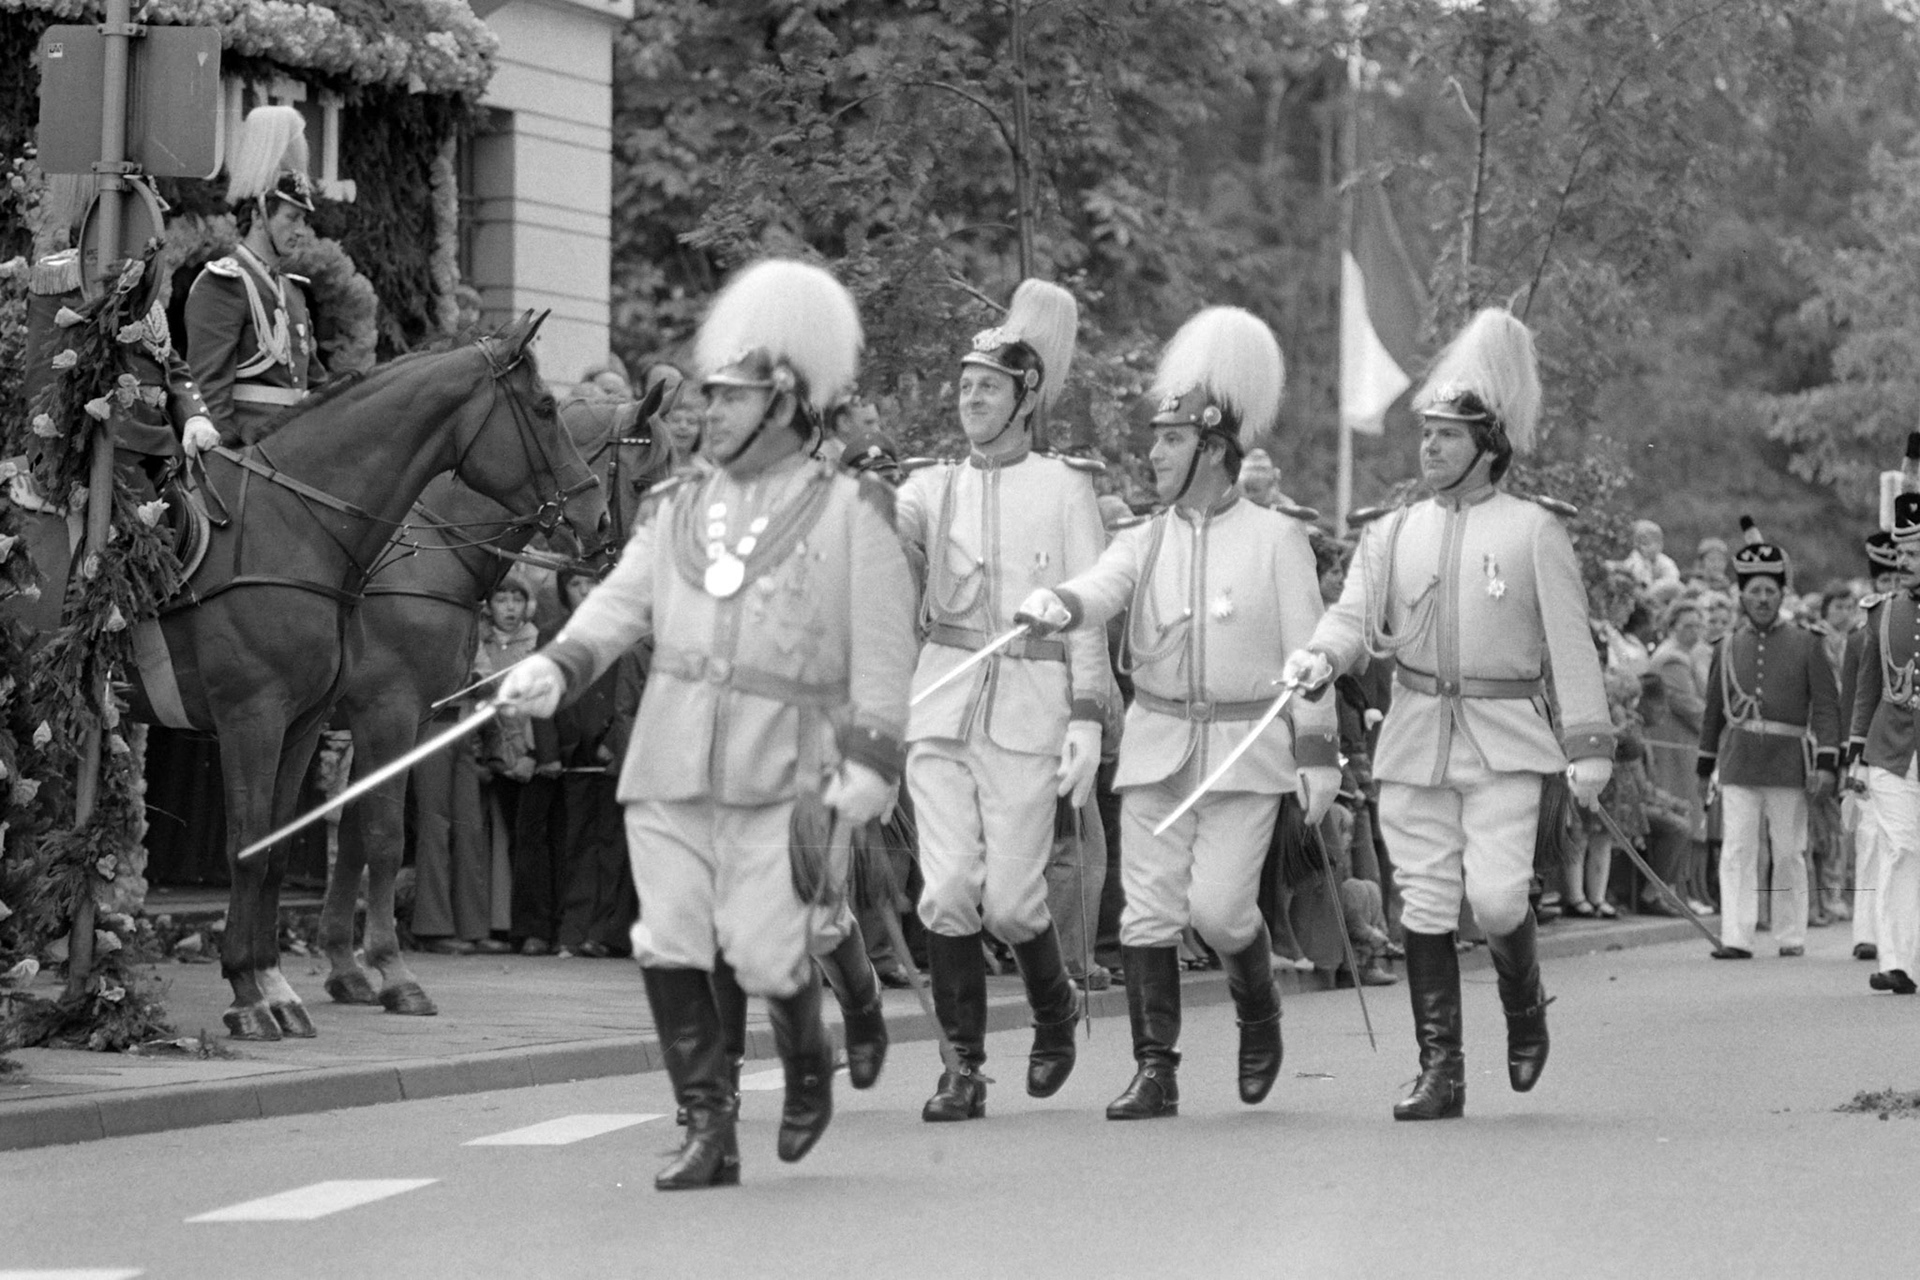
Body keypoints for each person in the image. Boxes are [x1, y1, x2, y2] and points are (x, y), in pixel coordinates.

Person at [498, 260, 916, 1190]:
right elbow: (617, 607)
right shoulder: (677, 505)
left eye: (731, 398)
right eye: (711, 395)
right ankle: (707, 1125)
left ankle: (807, 1056)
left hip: (784, 768)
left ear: (784, 404)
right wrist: (551, 667)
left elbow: (885, 658)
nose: (709, 412)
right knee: (672, 940)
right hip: (669, 754)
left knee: (769, 952)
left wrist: (871, 765)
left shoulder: (855, 511)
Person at [1283, 308, 1614, 1122]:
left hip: (1506, 741)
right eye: (1427, 432)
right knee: (1425, 905)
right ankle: (1442, 1069)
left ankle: (1525, 1000)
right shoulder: (1390, 535)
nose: (1429, 446)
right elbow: (1354, 619)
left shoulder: (1535, 530)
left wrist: (1589, 744)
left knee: (1499, 900)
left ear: (1488, 444)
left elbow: (1571, 646)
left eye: (1447, 435)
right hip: (1415, 735)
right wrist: (1320, 655)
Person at [1017, 307, 1338, 1119]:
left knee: (1222, 911)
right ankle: (1155, 1069)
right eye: (1155, 437)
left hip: (1243, 751)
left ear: (1213, 449)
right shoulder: (1146, 537)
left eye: (1169, 439)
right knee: (1149, 912)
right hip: (1161, 744)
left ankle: (1258, 1005)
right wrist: (1060, 603)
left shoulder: (1276, 539)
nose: (1154, 452)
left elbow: (1310, 651)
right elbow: (1102, 586)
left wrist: (1318, 755)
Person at [894, 278, 1113, 1122]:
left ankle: (1054, 1007)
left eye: (988, 387)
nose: (970, 398)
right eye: (964, 386)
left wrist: (1088, 717)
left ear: (1026, 401)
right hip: (941, 703)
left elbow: (1089, 609)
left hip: (1030, 707)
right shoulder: (931, 484)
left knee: (1015, 902)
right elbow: (884, 525)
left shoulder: (1064, 487)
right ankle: (963, 1068)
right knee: (947, 890)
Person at [1696, 521, 1841, 960]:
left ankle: (1789, 933)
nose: (1762, 599)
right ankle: (1736, 935)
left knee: (1789, 851)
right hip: (1739, 762)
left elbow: (1826, 708)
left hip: (1787, 763)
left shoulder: (1807, 643)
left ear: (1781, 595)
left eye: (1769, 591)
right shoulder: (1725, 647)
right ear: (1741, 595)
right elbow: (1713, 715)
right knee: (1738, 849)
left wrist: (1826, 764)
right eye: (1754, 591)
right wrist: (1704, 769)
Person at [184, 105, 326, 447]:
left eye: (303, 220)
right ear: (261, 215)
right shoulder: (224, 283)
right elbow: (209, 392)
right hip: (251, 458)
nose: (301, 230)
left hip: (294, 449)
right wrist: (226, 462)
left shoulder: (291, 291)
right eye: (292, 218)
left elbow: (317, 385)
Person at [1846, 496, 1920, 995]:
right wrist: (1854, 753)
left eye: (1912, 556)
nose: (1902, 565)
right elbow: (1868, 689)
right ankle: (1897, 962)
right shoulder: (1881, 613)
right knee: (1903, 848)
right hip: (1891, 752)